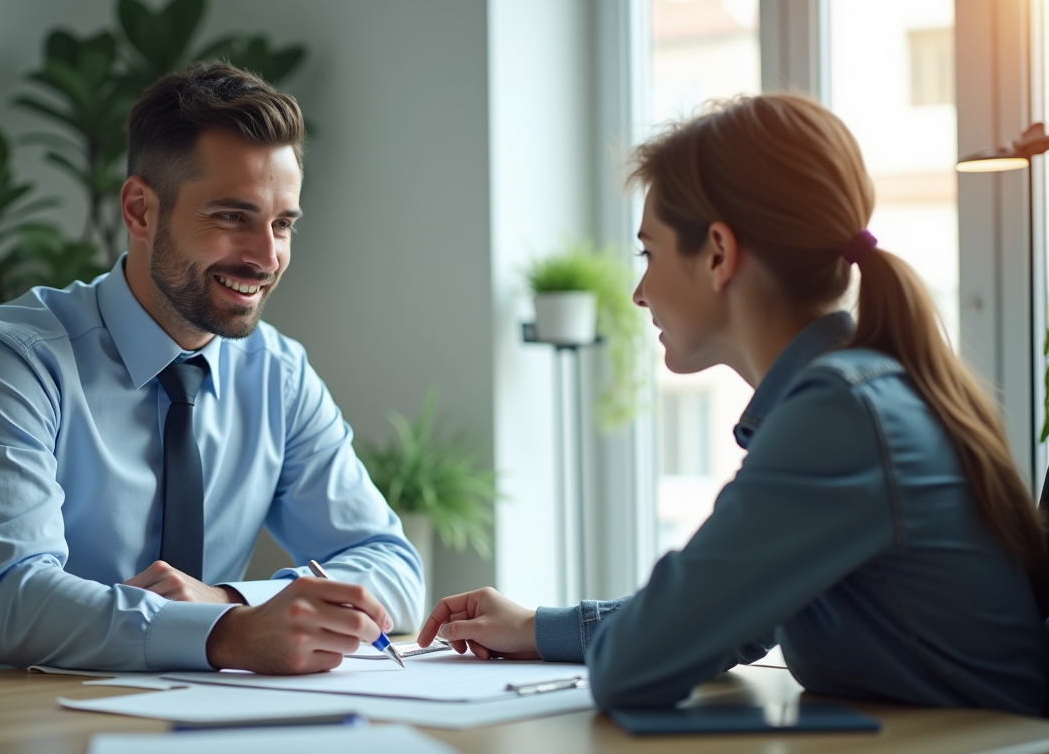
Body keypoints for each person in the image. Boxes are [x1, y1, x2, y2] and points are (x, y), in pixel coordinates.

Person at [416, 93, 1049, 716]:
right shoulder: (862, 391)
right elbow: (732, 617)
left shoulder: (838, 415)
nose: (639, 292)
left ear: (718, 253)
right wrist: (535, 627)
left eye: (649, 252)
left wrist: (596, 629)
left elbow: (638, 661)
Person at [0, 63, 423, 675]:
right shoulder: (15, 363)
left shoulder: (279, 375)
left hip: (200, 719)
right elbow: (15, 604)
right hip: (8, 721)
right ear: (140, 210)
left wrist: (231, 603)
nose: (266, 257)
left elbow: (393, 567)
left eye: (282, 224)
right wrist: (228, 635)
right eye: (231, 217)